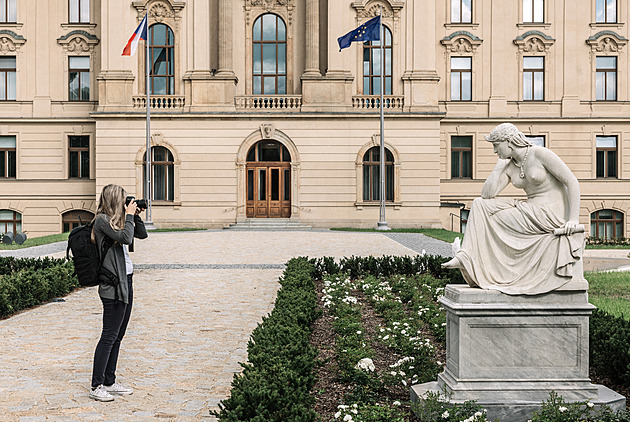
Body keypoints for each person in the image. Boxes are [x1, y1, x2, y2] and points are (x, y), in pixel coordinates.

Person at [443, 123, 585, 295]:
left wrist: (573, 219)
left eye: (496, 145)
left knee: (490, 214)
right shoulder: (510, 165)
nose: (495, 151)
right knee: (480, 205)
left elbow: (572, 181)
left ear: (508, 142)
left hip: (551, 213)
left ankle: (470, 259)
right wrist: (498, 167)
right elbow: (487, 195)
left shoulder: (540, 154)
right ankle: (466, 257)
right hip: (530, 209)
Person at [89, 184, 148, 402]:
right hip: (112, 286)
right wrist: (129, 216)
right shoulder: (102, 221)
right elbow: (124, 238)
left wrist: (135, 216)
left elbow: (140, 235)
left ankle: (110, 381)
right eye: (123, 200)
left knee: (118, 335)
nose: (126, 203)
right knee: (109, 335)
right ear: (115, 200)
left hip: (126, 282)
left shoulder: (119, 221)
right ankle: (97, 385)